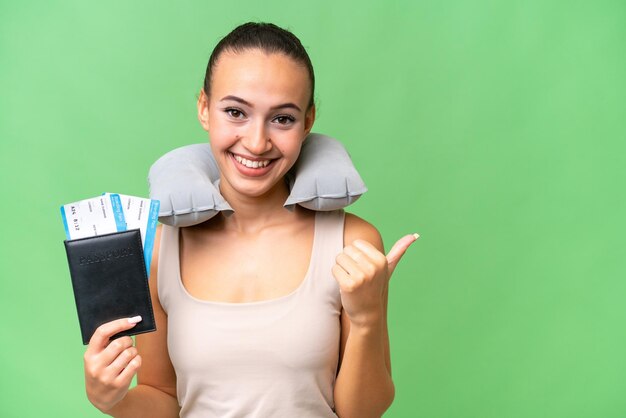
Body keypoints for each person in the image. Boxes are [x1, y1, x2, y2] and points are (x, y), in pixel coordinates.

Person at [82, 22, 418, 418]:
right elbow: (162, 395)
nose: (257, 143)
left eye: (283, 119)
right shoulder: (160, 246)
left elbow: (363, 412)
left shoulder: (352, 242)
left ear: (308, 122)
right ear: (204, 108)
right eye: (236, 112)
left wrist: (366, 317)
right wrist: (112, 398)